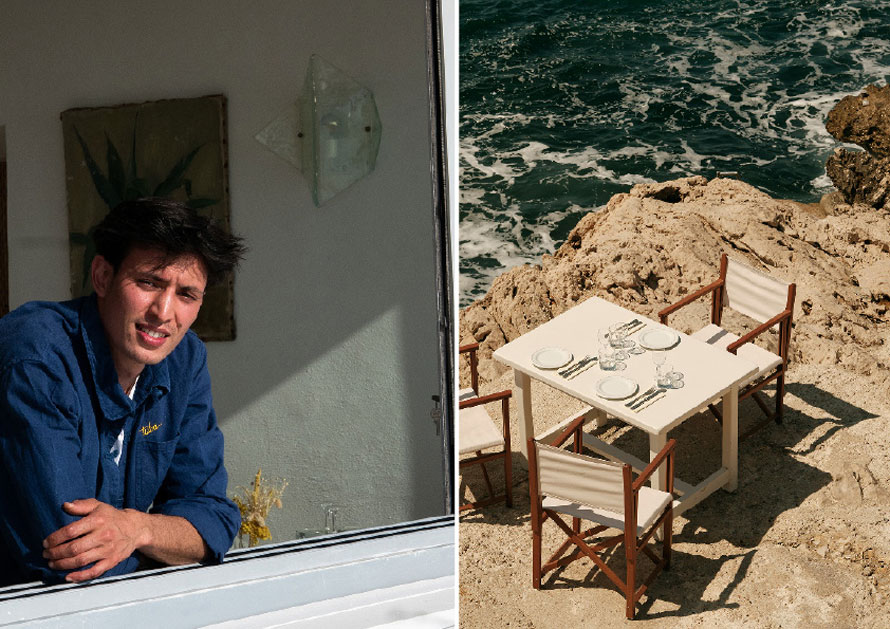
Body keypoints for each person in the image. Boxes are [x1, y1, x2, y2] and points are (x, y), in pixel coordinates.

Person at [0, 197, 246, 586]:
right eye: (149, 282)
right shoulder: (36, 356)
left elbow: (213, 518)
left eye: (186, 294)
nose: (164, 312)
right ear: (102, 276)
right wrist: (173, 544)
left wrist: (138, 530)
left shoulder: (184, 360)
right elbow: (73, 555)